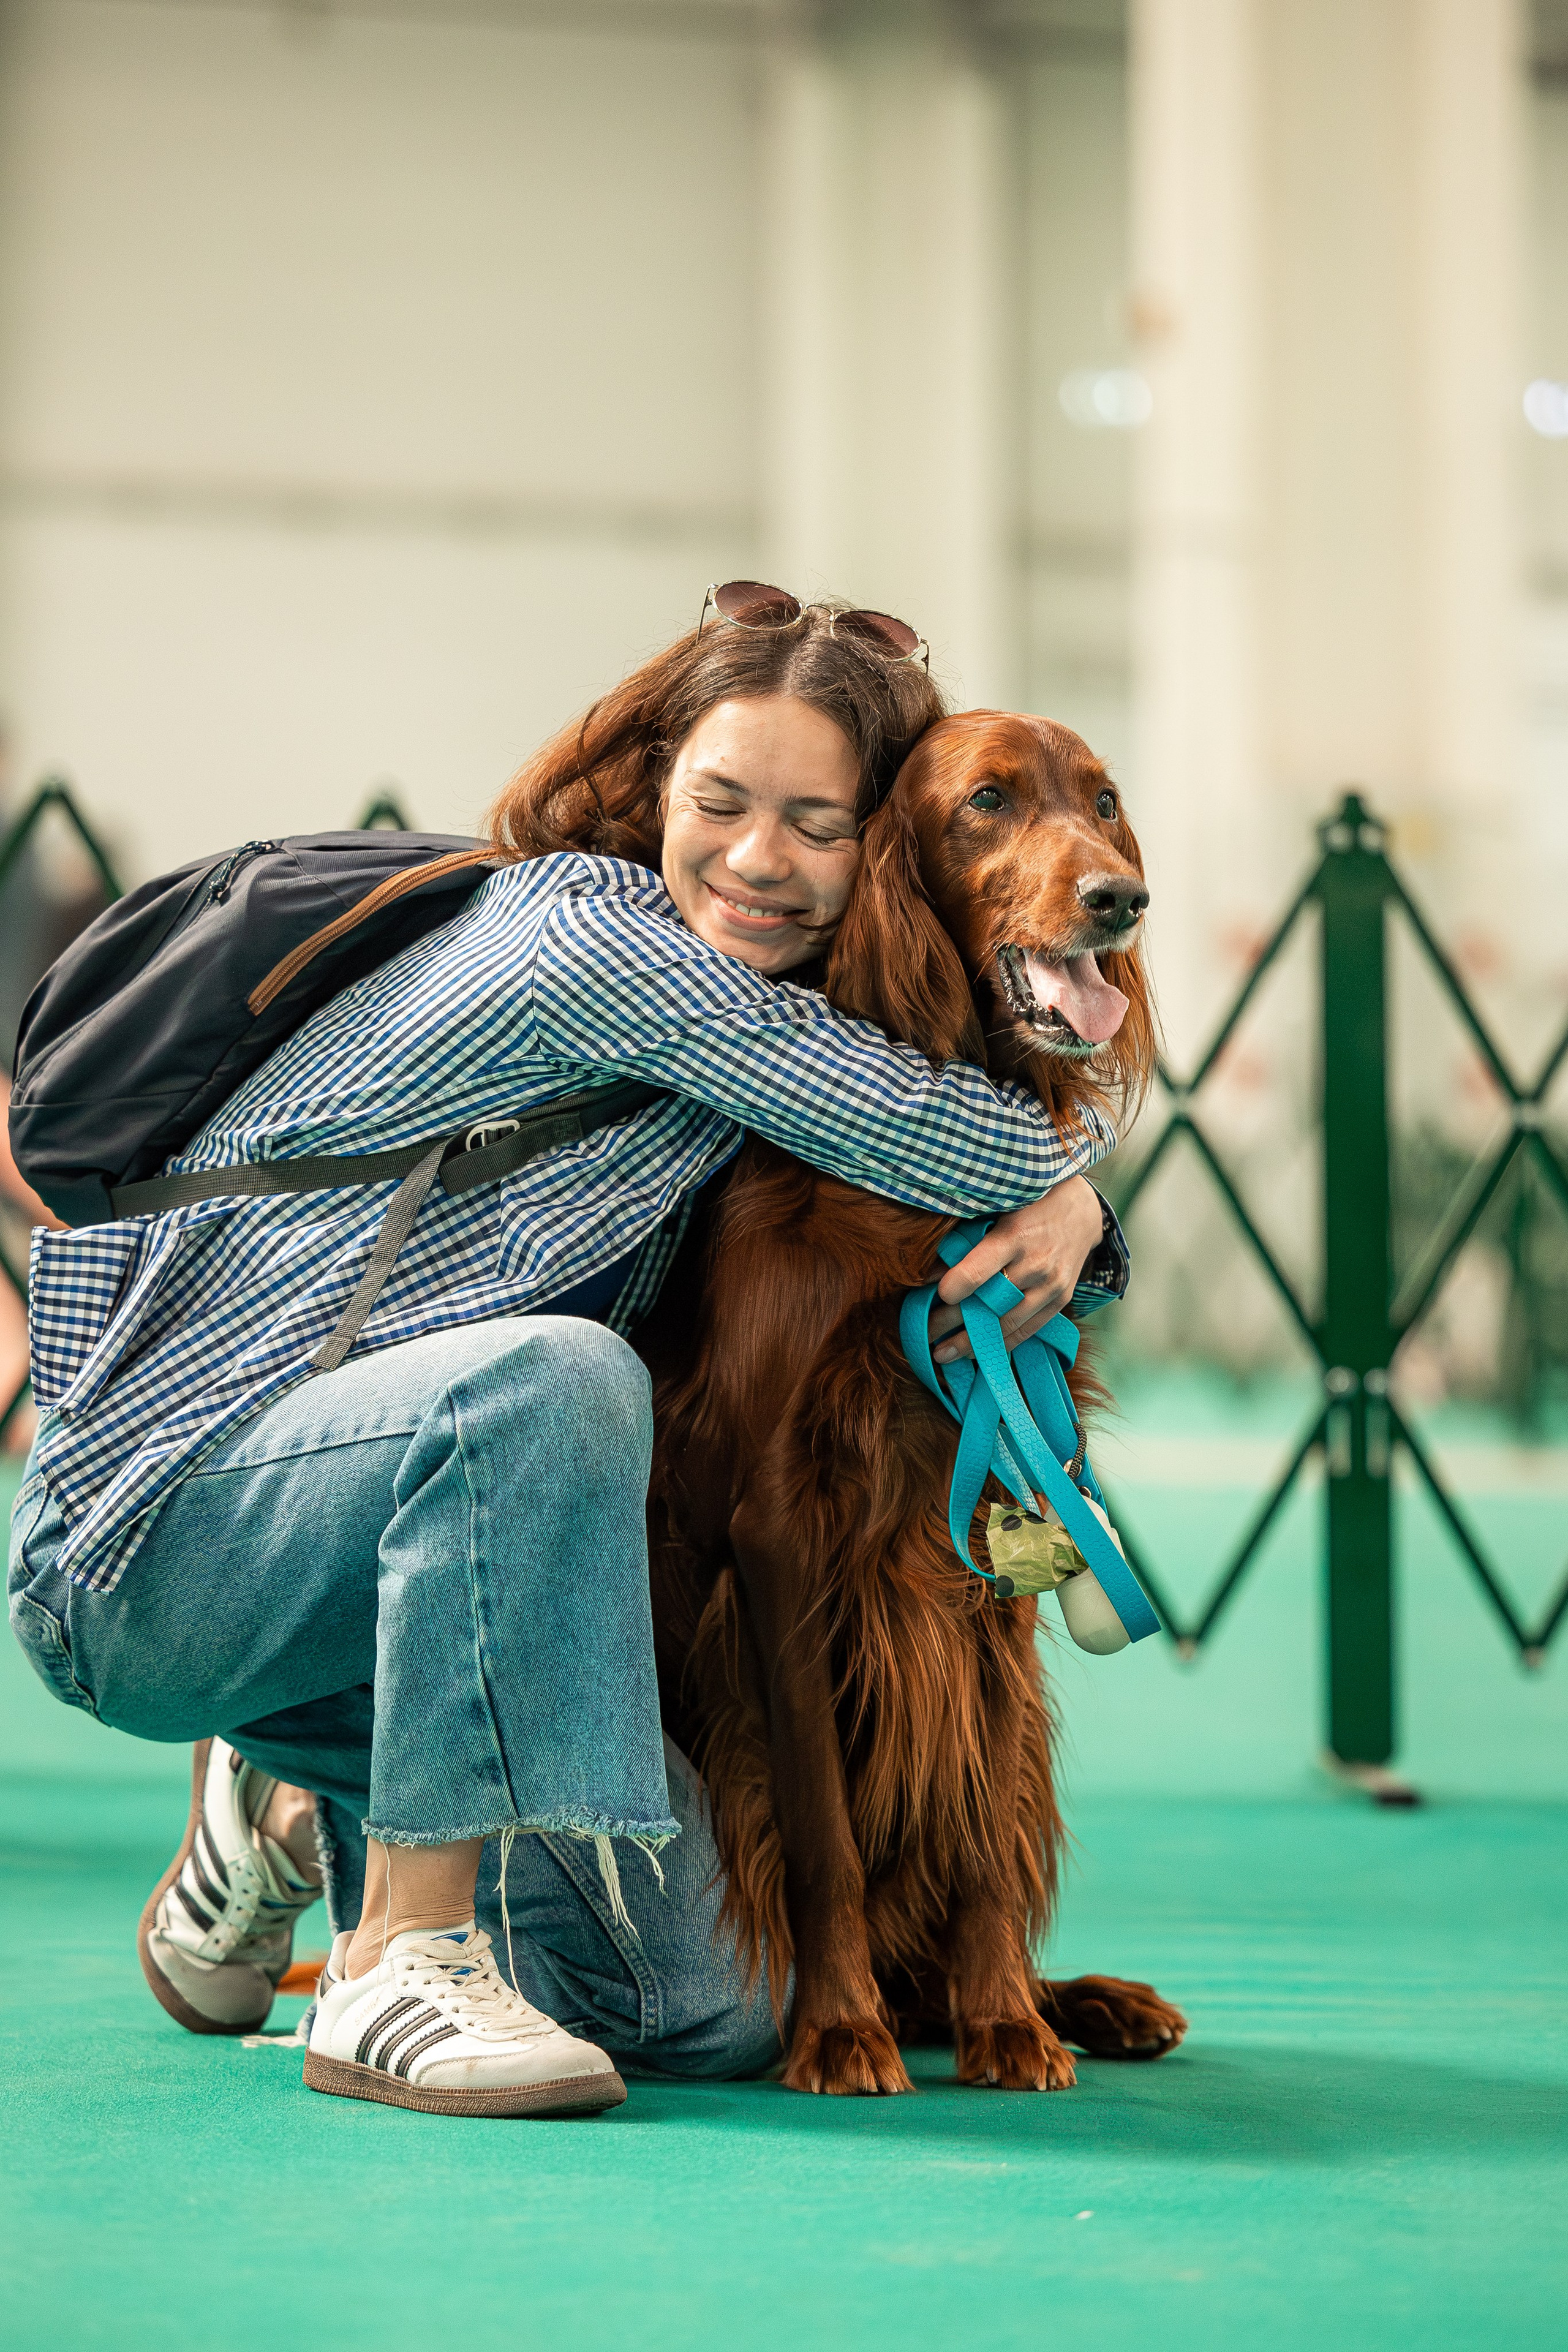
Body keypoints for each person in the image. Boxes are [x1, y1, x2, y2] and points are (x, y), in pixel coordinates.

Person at [7, 586, 1126, 2118]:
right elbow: (940, 1128)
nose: (757, 858)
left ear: (872, 846)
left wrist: (1064, 1204)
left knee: (711, 2007)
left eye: (814, 821)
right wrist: (1073, 1204)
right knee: (547, 1380)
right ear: (657, 780)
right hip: (157, 1553)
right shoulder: (591, 942)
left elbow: (906, 1115)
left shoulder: (767, 1003)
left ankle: (285, 1798)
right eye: (720, 802)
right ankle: (394, 1964)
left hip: (386, 1555)